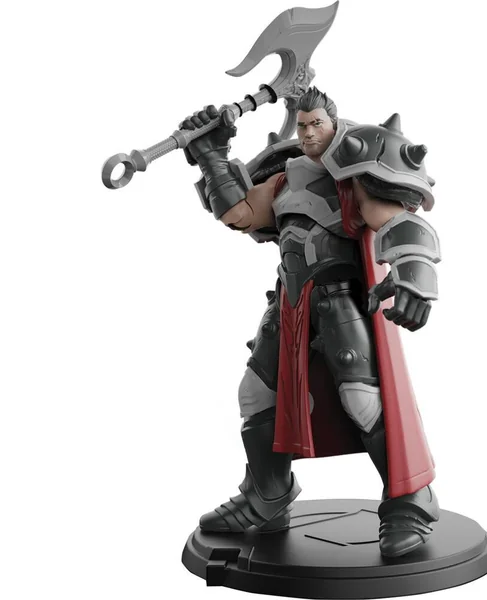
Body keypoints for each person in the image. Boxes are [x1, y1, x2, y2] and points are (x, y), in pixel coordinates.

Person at [180, 87, 441, 558]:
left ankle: (409, 499)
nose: (307, 133)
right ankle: (267, 496)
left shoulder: (354, 176)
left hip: (340, 304)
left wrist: (415, 277)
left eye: (316, 124)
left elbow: (398, 222)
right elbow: (239, 214)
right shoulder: (286, 178)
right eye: (301, 125)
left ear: (333, 124)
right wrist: (212, 156)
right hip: (290, 304)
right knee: (255, 394)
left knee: (363, 401)